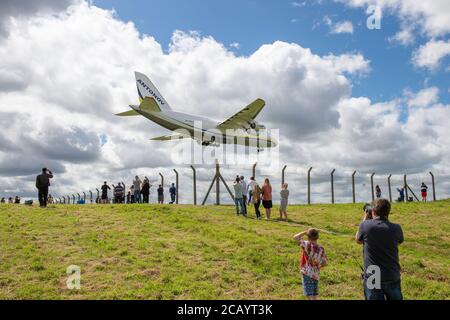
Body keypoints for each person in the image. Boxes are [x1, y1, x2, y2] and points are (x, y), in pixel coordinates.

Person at [356, 199, 404, 300]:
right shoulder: (396, 228)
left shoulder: (365, 226)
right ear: (388, 212)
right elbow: (399, 241)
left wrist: (365, 218)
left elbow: (358, 240)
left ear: (373, 211)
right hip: (392, 273)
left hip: (373, 275)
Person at [293, 229, 328, 300]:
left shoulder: (307, 245)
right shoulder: (321, 249)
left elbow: (295, 237)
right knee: (314, 296)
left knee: (310, 296)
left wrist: (305, 232)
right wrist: (318, 266)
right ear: (317, 237)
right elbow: (325, 263)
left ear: (308, 237)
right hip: (316, 274)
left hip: (307, 273)